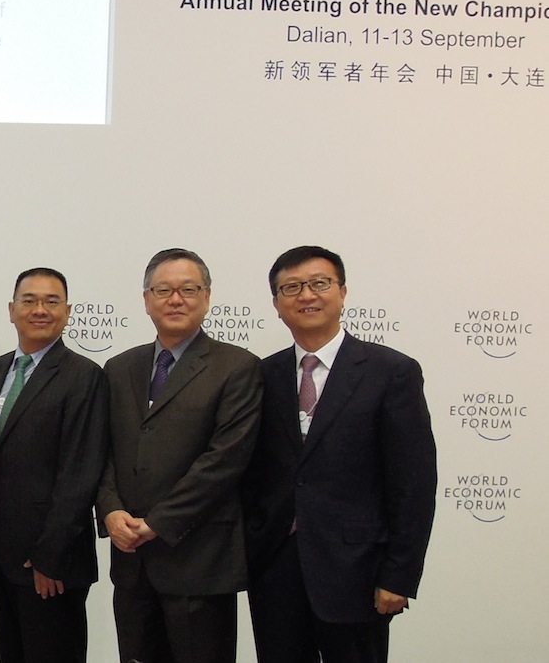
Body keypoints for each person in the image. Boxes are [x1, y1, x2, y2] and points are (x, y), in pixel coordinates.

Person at [242, 246, 436, 663]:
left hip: (357, 571)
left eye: (319, 283)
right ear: (276, 305)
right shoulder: (260, 375)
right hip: (275, 570)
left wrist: (399, 575)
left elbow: (413, 485)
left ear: (342, 292)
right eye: (291, 288)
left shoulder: (391, 372)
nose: (306, 296)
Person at [95, 248, 261, 663]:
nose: (175, 299)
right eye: (163, 289)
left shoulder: (237, 367)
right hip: (131, 562)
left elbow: (224, 461)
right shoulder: (119, 368)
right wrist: (111, 510)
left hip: (199, 561)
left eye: (188, 289)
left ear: (206, 297)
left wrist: (158, 523)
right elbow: (102, 451)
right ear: (146, 298)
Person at [0, 268, 109, 663]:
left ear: (67, 311)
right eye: (29, 300)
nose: (40, 309)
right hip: (0, 552)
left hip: (51, 562)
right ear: (11, 309)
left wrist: (50, 555)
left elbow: (80, 472)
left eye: (52, 302)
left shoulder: (84, 376)